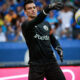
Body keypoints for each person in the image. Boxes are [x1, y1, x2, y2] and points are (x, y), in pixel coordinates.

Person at [21, 0, 65, 80]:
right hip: (36, 65)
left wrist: (58, 47)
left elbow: (53, 39)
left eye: (34, 7)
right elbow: (38, 19)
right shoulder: (25, 25)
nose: (33, 10)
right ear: (25, 12)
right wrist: (48, 8)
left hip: (51, 62)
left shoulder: (46, 24)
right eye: (29, 8)